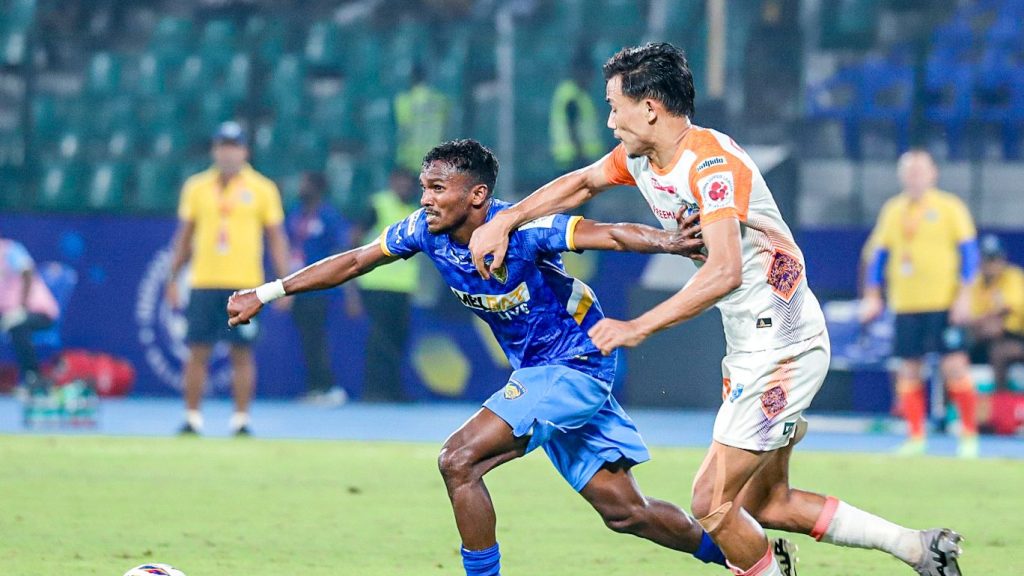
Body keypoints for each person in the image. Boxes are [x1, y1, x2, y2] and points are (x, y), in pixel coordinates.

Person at [468, 43, 962, 576]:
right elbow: (583, 182)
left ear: (650, 107)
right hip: (754, 344)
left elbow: (725, 269)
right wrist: (505, 220)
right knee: (765, 505)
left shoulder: (712, 166)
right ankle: (919, 548)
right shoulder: (643, 158)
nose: (610, 121)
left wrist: (638, 326)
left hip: (783, 347)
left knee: (710, 502)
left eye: (615, 106)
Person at [228, 139, 776, 576]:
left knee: (458, 460)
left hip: (575, 364)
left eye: (438, 188)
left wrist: (668, 242)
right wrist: (269, 291)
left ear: (477, 195)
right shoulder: (425, 231)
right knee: (624, 512)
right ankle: (744, 560)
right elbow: (354, 261)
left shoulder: (524, 228)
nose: (426, 199)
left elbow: (605, 233)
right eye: (424, 187)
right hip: (543, 375)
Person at [166, 121, 290, 436]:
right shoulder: (196, 187)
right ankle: (192, 417)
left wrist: (285, 283)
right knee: (197, 351)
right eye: (223, 146)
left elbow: (276, 238)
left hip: (245, 283)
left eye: (234, 146)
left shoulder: (262, 189)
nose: (228, 153)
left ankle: (241, 419)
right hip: (204, 281)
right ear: (215, 150)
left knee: (242, 353)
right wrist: (172, 278)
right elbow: (184, 237)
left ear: (244, 151)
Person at [861, 149, 981, 458]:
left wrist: (965, 296)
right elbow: (879, 255)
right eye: (909, 171)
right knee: (908, 369)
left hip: (943, 302)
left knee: (954, 365)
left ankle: (969, 435)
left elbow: (969, 253)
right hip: (906, 304)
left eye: (920, 171)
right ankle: (916, 437)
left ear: (933, 174)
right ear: (902, 176)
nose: (914, 177)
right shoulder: (893, 209)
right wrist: (873, 294)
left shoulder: (949, 207)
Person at [350, 168, 421, 401]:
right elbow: (355, 238)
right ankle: (374, 391)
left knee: (398, 340)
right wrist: (352, 285)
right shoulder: (378, 205)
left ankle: (393, 390)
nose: (405, 187)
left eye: (410, 183)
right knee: (379, 341)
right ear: (392, 181)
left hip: (402, 289)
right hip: (376, 285)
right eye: (401, 181)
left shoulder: (413, 210)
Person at [285, 171, 348, 406]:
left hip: (320, 288)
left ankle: (328, 386)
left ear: (317, 187)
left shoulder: (328, 216)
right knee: (306, 338)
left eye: (305, 183)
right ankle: (314, 386)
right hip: (298, 285)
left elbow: (340, 250)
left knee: (317, 337)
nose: (300, 187)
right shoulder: (295, 213)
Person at [968, 234, 1024, 424]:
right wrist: (988, 319)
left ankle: (1004, 413)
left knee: (1000, 352)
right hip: (982, 339)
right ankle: (949, 414)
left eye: (995, 259)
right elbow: (971, 317)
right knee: (953, 353)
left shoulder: (1013, 277)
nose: (991, 264)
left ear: (1002, 259)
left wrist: (993, 317)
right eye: (987, 259)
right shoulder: (975, 283)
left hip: (1015, 338)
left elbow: (1009, 308)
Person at [0, 235, 59, 390]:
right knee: (14, 324)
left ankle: (33, 377)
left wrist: (22, 308)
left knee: (18, 327)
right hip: (7, 315)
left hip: (38, 312)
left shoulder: (10, 250)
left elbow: (26, 272)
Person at [394, 63, 450, 174]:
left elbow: (403, 129)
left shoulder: (404, 101)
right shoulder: (442, 100)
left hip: (410, 160)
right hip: (437, 160)